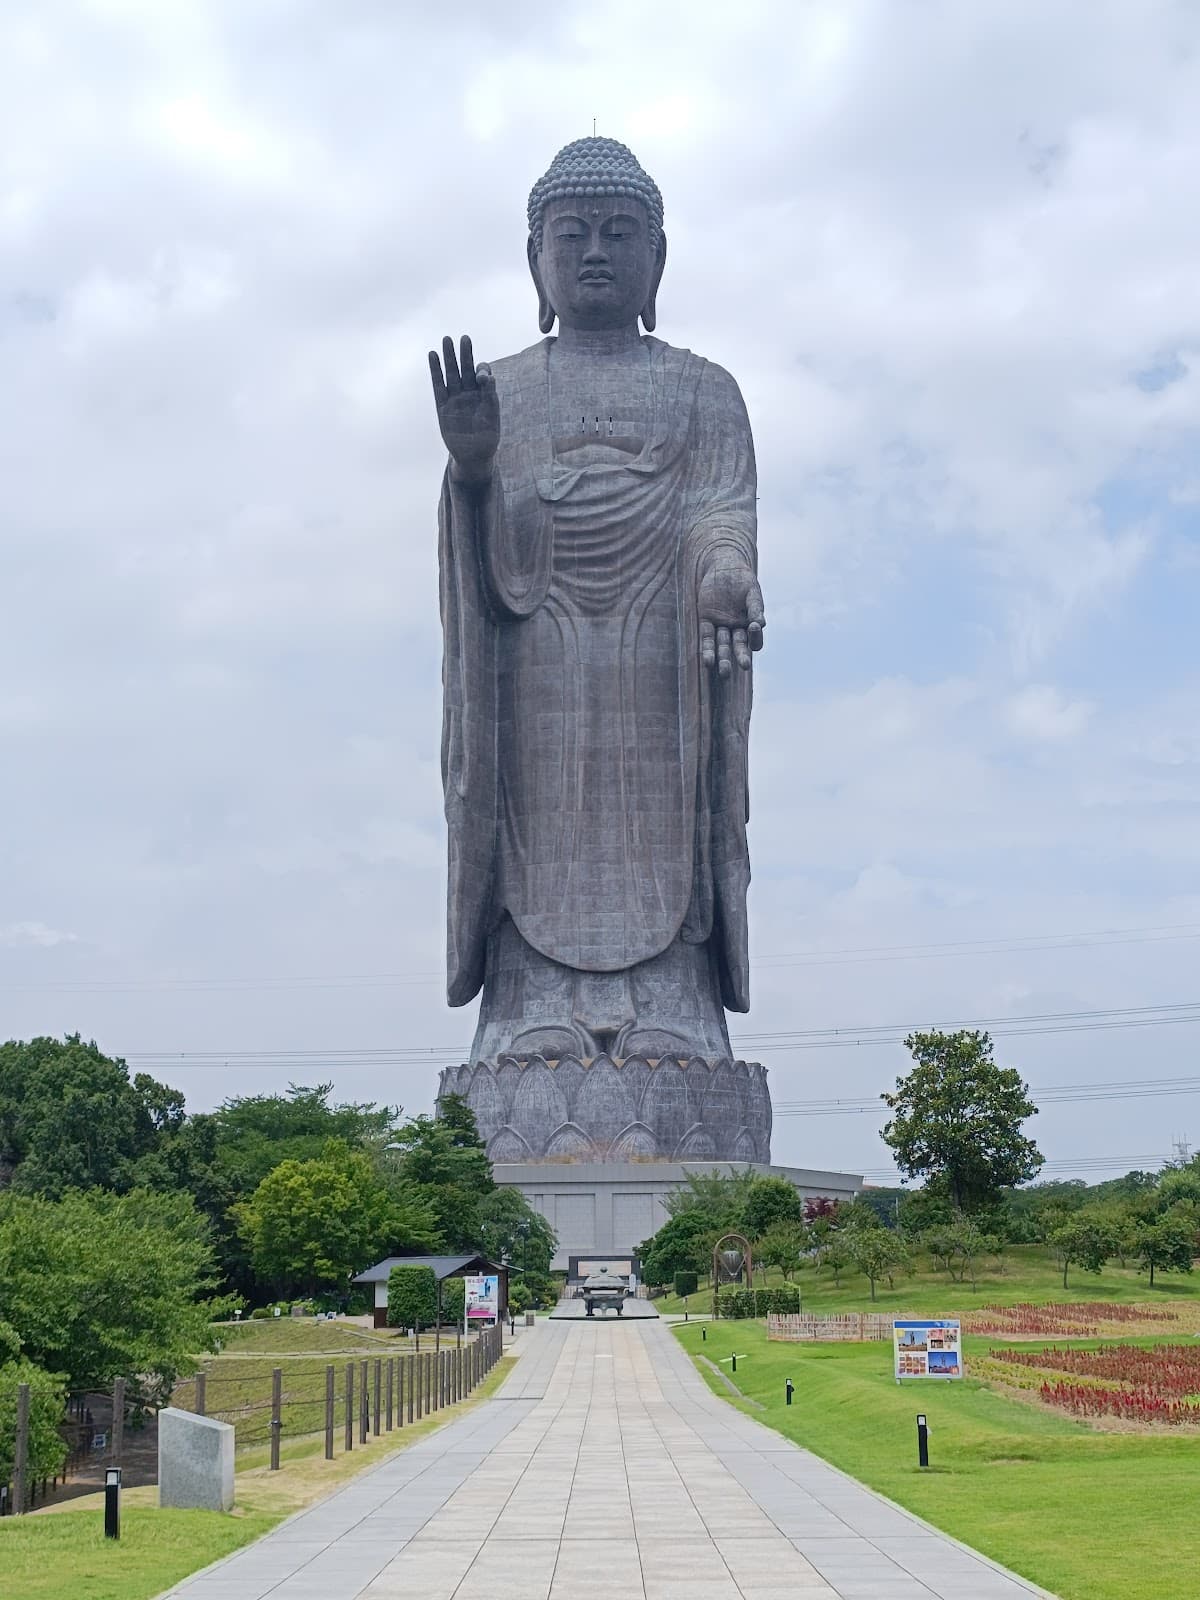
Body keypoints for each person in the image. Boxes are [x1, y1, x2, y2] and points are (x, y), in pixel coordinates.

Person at [430, 138, 764, 1064]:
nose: (594, 254)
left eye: (620, 234)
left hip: (661, 658)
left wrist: (727, 570)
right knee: (535, 812)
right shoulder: (502, 388)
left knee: (670, 814)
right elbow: (483, 560)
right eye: (570, 234)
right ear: (535, 258)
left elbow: (720, 511)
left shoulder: (706, 390)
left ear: (658, 257)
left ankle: (676, 1005)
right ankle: (527, 1006)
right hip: (538, 652)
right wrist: (472, 469)